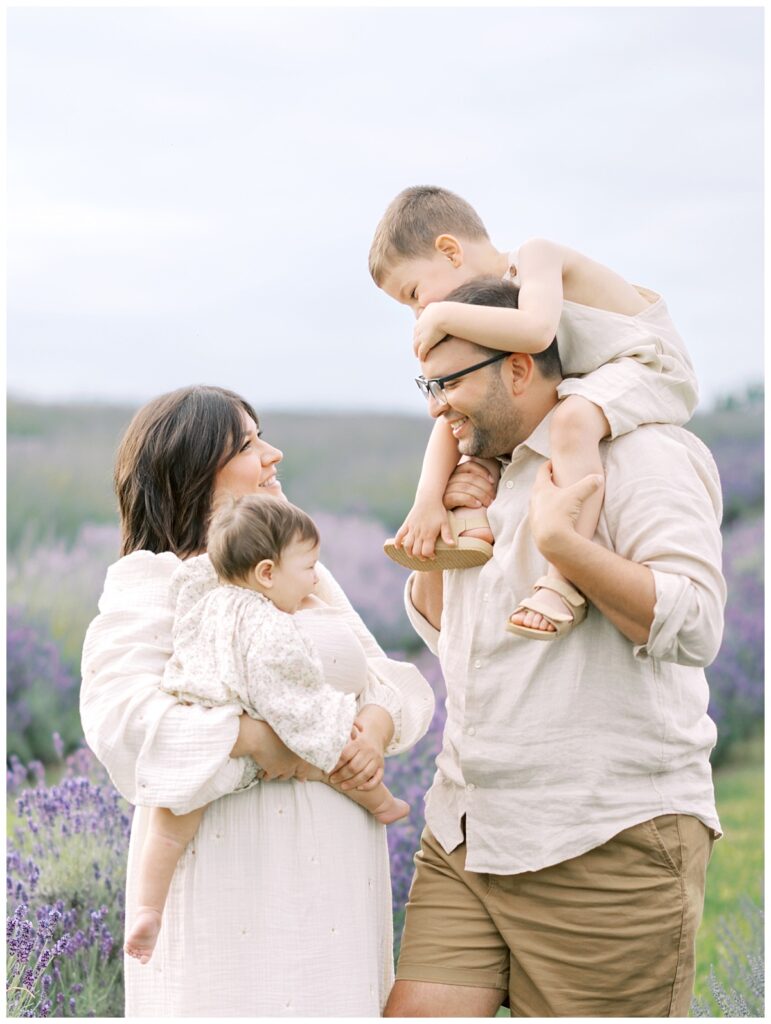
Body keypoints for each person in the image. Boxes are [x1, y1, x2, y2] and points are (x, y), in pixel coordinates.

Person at [384, 278, 724, 1018]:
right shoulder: (480, 469)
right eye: (426, 385)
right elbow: (455, 640)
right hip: (466, 832)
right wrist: (446, 525)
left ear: (517, 367)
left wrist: (564, 544)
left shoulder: (643, 455)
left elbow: (695, 623)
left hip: (602, 836)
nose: (435, 406)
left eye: (449, 383)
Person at [80, 384, 435, 1017]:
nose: (274, 453)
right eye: (248, 444)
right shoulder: (153, 581)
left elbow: (386, 680)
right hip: (234, 885)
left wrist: (374, 731)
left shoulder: (298, 571)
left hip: (336, 892)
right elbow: (126, 727)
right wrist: (276, 748)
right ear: (192, 469)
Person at [369, 185, 699, 641]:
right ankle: (465, 527)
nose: (418, 313)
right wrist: (427, 500)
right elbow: (454, 405)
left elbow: (537, 332)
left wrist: (443, 316)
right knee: (474, 416)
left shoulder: (534, 257)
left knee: (572, 421)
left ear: (449, 251)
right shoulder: (497, 300)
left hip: (651, 367)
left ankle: (565, 575)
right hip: (596, 377)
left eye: (414, 294)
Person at [124, 493, 409, 966]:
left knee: (168, 832)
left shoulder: (205, 598)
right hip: (240, 744)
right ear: (267, 574)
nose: (316, 579)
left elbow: (193, 581)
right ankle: (382, 802)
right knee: (329, 759)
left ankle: (147, 910)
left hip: (199, 736)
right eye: (310, 568)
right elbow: (288, 699)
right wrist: (326, 728)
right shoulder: (272, 627)